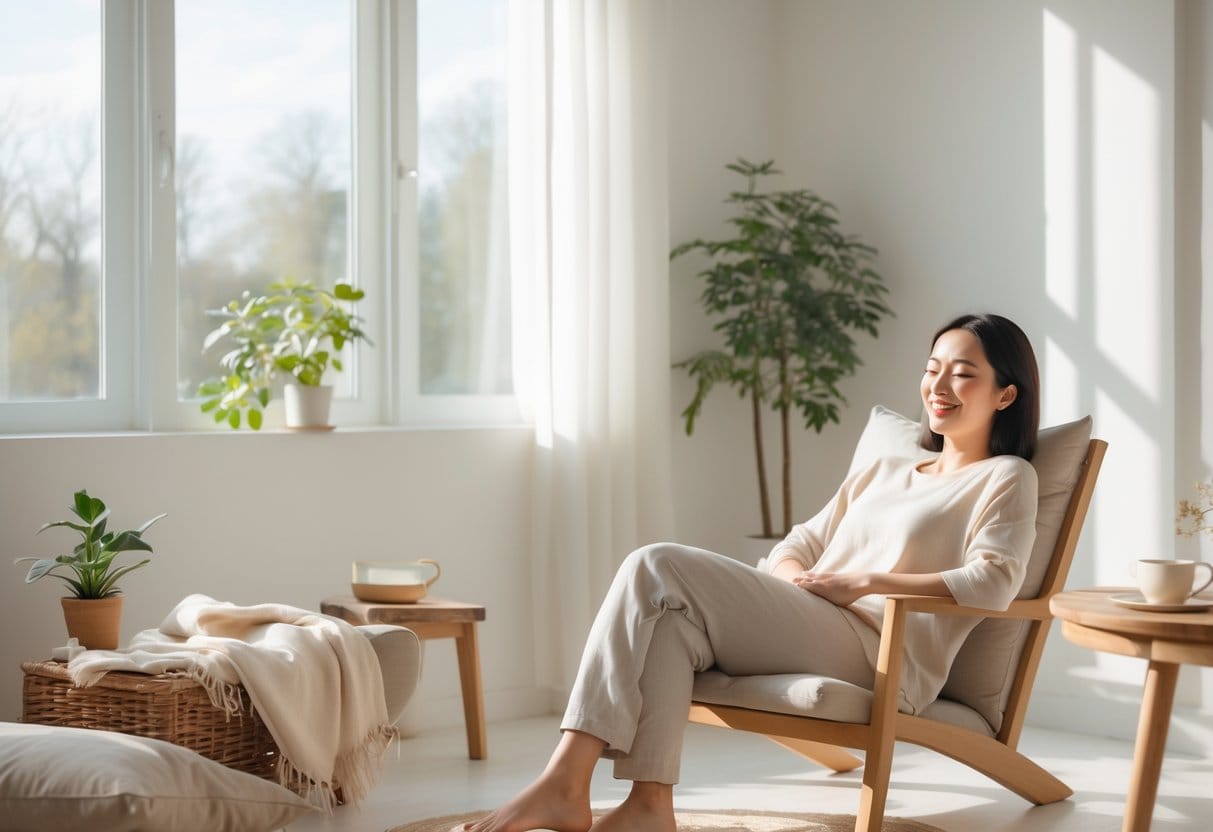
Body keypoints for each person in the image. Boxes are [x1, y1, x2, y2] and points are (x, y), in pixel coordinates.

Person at [456, 312, 1041, 832]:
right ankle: (649, 807)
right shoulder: (890, 469)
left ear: (1005, 395)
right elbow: (798, 543)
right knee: (670, 627)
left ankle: (564, 783)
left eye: (962, 374)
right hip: (816, 616)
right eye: (932, 368)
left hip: (878, 649)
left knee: (655, 565)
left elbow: (993, 581)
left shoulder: (1006, 477)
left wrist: (861, 583)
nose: (938, 387)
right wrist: (791, 579)